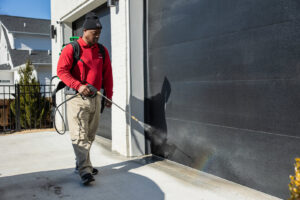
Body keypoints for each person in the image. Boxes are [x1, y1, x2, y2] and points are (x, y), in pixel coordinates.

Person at [57, 12, 113, 185]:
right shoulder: (72, 49)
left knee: (90, 135)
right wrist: (78, 85)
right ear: (85, 31)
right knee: (79, 135)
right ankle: (84, 171)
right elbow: (61, 71)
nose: (97, 35)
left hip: (96, 98)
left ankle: (82, 164)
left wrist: (109, 95)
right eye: (95, 32)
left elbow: (107, 74)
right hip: (77, 99)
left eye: (99, 32)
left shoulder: (102, 51)